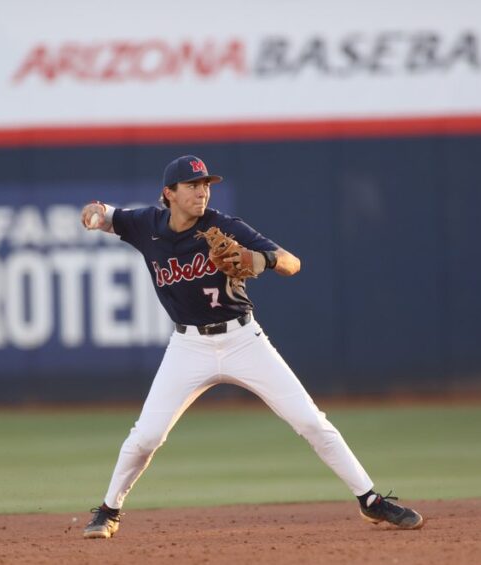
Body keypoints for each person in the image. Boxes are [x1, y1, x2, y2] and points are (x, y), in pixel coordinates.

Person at [79, 155, 423, 539]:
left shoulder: (225, 226)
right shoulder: (146, 225)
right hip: (187, 346)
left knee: (310, 420)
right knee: (147, 436)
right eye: (193, 185)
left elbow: (292, 263)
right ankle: (108, 511)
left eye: (206, 184)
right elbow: (105, 214)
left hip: (243, 339)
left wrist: (260, 258)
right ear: (169, 193)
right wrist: (93, 214)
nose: (202, 191)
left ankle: (371, 502)